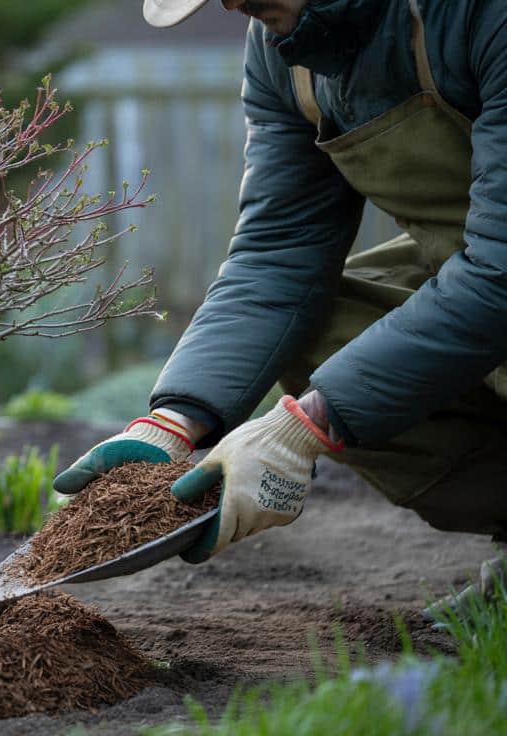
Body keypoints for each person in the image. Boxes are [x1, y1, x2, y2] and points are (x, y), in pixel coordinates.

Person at [54, 0, 507, 609]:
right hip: (473, 270)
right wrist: (177, 420)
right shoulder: (283, 53)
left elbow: (500, 272)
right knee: (323, 334)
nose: (234, 3)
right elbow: (279, 251)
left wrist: (309, 424)